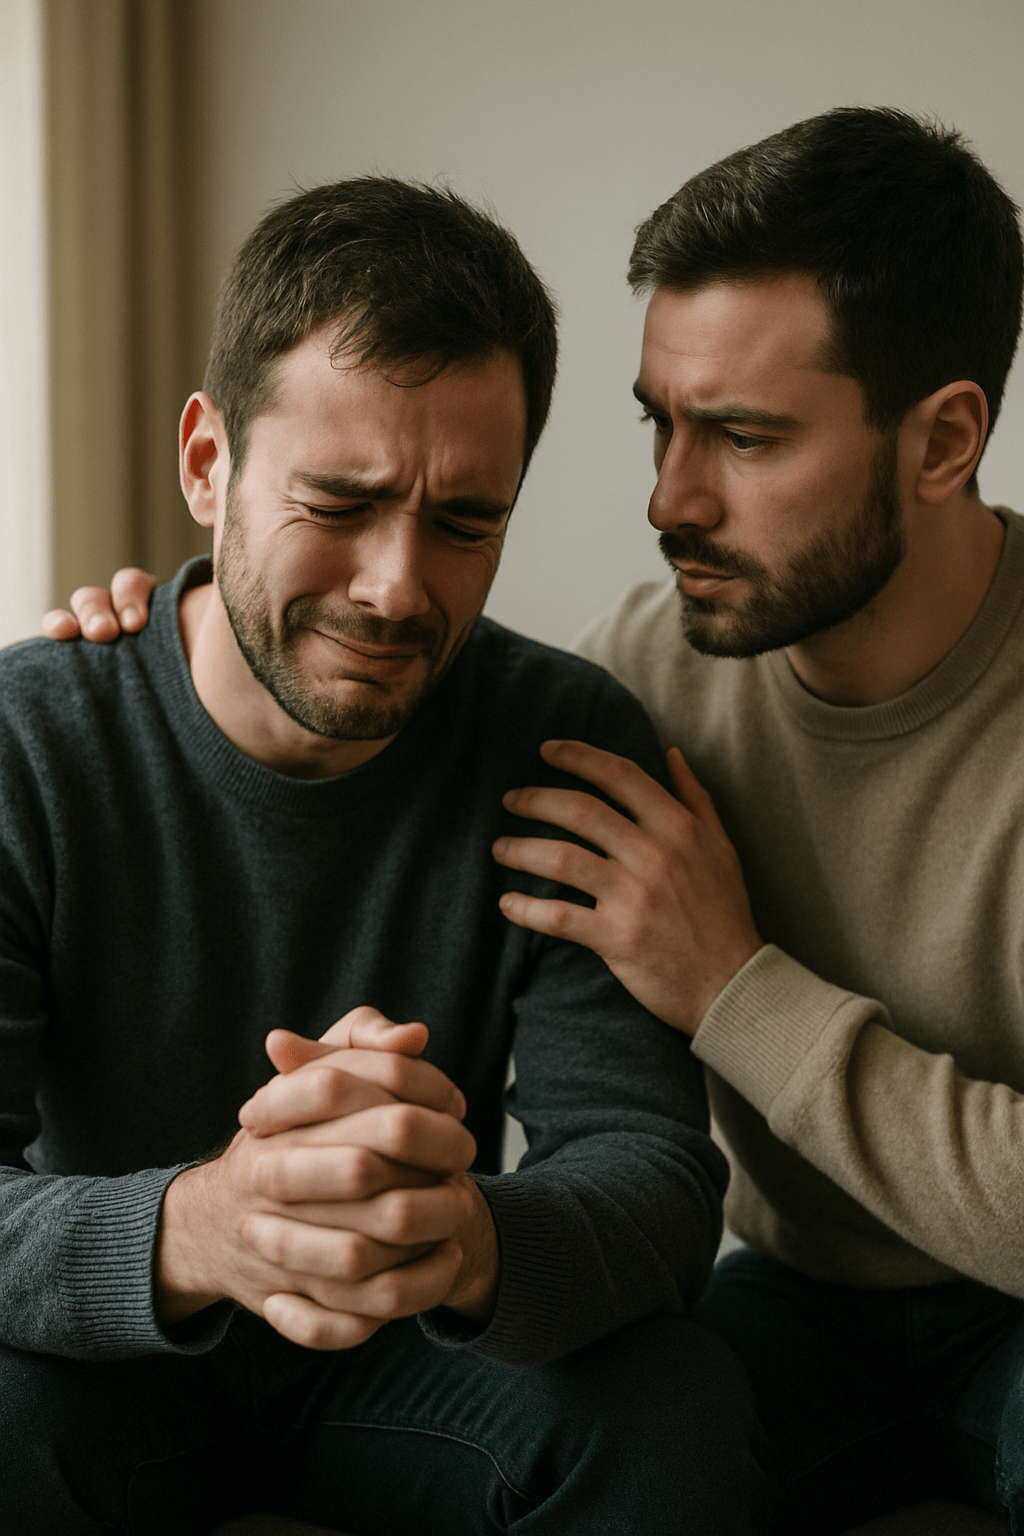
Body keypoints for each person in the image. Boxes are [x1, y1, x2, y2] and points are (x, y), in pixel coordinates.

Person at [76, 108, 1024, 1530]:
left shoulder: (605, 707)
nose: (668, 498)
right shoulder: (644, 674)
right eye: (662, 423)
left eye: (744, 438)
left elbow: (656, 1138)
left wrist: (733, 990)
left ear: (945, 438)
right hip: (792, 1306)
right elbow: (327, 645)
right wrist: (137, 649)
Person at [2, 178, 768, 1535]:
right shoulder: (30, 742)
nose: (400, 585)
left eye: (465, 522)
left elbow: (652, 1176)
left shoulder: (567, 739)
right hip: (101, 1375)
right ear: (205, 463)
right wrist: (202, 1227)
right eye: (340, 502)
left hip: (420, 1374)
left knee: (676, 1407)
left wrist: (467, 1236)